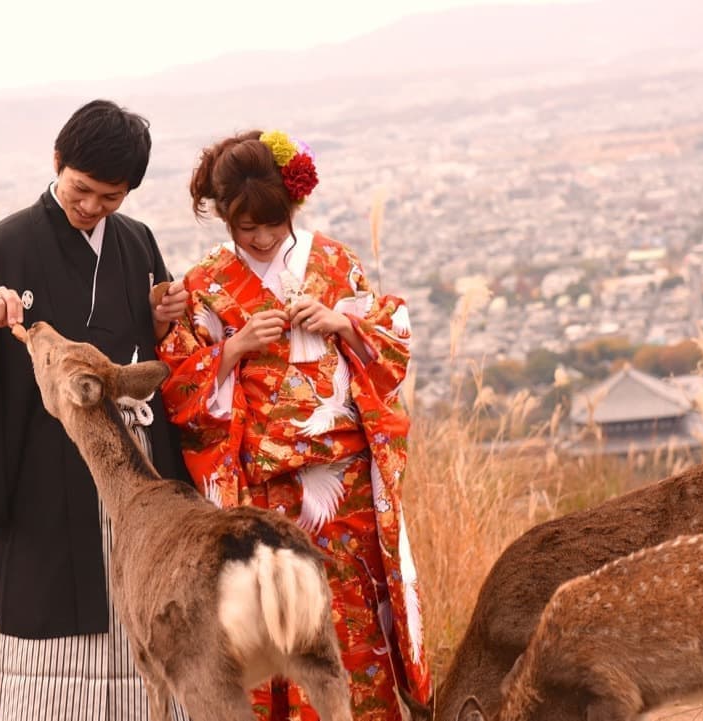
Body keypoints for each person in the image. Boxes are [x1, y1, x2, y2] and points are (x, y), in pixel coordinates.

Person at [0, 99, 191, 721]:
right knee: (55, 650)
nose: (92, 207)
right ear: (57, 163)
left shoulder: (137, 241)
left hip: (132, 463)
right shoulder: (7, 243)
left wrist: (158, 320)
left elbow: (146, 351)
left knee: (146, 610)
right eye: (82, 189)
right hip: (43, 463)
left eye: (111, 197)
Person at [157, 130, 432, 721]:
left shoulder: (336, 262)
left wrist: (340, 322)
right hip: (262, 493)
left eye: (271, 226)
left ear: (293, 206)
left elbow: (391, 347)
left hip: (345, 486)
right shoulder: (203, 284)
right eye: (245, 228)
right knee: (273, 626)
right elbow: (178, 388)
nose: (258, 239)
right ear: (225, 218)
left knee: (351, 621)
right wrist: (231, 350)